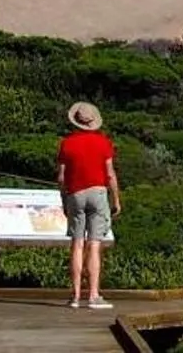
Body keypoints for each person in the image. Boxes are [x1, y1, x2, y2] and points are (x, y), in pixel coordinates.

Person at [59, 101, 122, 311]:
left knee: (77, 244)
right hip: (98, 192)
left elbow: (61, 177)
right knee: (95, 244)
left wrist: (64, 200)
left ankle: (75, 296)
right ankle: (94, 295)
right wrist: (116, 199)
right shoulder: (104, 142)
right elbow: (110, 174)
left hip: (75, 194)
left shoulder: (67, 144)